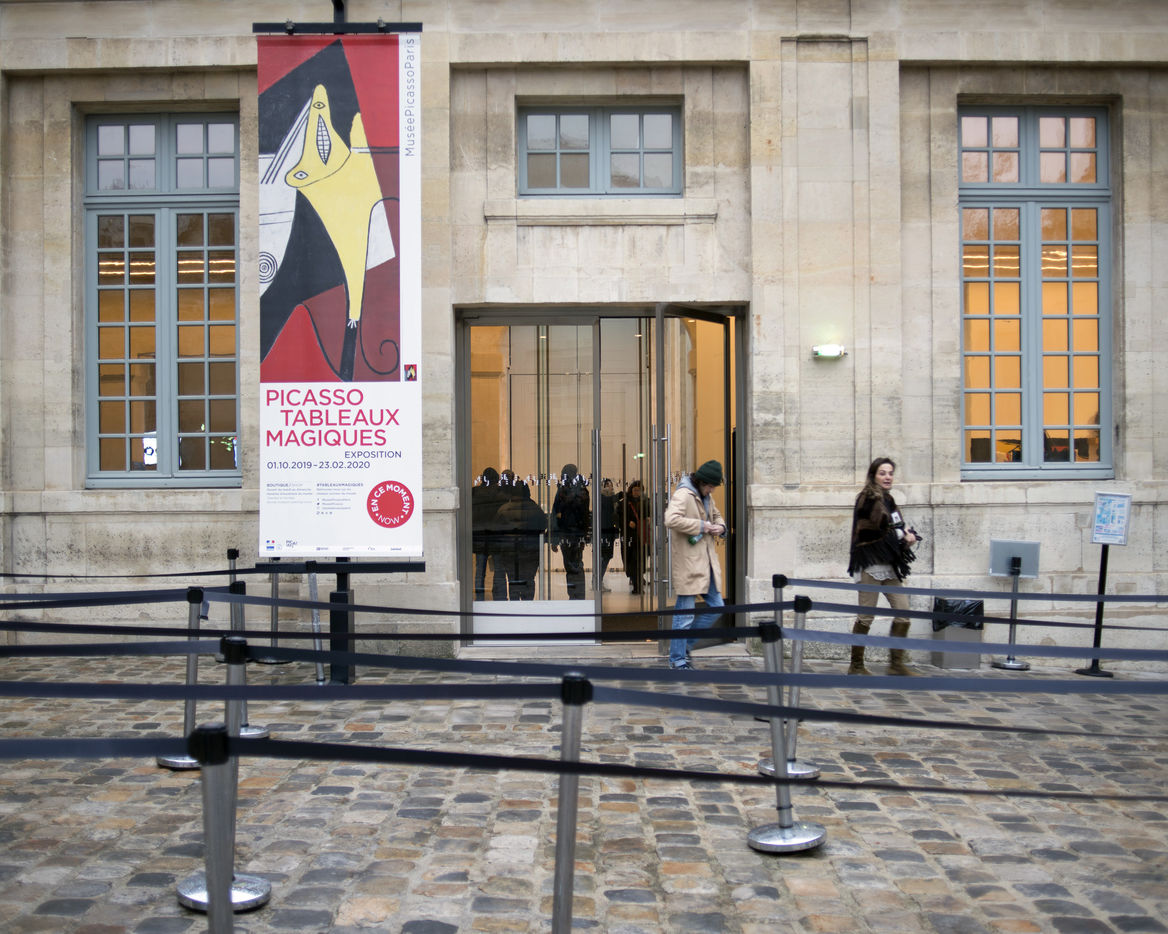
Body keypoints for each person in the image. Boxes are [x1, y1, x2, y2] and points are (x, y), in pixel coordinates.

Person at [846, 456, 921, 676]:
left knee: (903, 613)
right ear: (873, 476)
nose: (887, 477)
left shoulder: (890, 500)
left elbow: (897, 526)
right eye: (882, 473)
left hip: (890, 566)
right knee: (866, 617)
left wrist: (908, 537)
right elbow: (869, 533)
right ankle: (856, 666)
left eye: (890, 473)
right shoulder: (867, 499)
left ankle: (896, 665)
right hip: (870, 564)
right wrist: (901, 536)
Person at [663, 460, 726, 670]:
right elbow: (670, 519)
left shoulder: (705, 496)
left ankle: (685, 646)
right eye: (711, 486)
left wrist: (720, 527)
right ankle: (677, 659)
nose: (712, 490)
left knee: (717, 606)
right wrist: (701, 526)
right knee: (684, 615)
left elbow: (716, 515)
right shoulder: (684, 494)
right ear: (702, 482)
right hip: (689, 564)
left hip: (706, 563)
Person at [494, 480, 547, 600]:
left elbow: (496, 529)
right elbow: (543, 526)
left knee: (513, 580)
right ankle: (527, 605)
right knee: (529, 579)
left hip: (509, 551)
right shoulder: (536, 509)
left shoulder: (504, 510)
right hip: (531, 550)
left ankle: (515, 606)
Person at [550, 464, 590, 600]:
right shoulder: (583, 491)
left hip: (566, 533)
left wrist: (554, 538)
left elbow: (555, 514)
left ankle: (574, 595)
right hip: (577, 534)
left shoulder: (562, 491)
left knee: (570, 565)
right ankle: (578, 595)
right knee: (576, 564)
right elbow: (585, 515)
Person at [471, 467, 505, 601]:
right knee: (499, 570)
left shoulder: (475, 492)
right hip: (496, 536)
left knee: (480, 570)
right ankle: (500, 597)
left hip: (479, 535)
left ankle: (479, 597)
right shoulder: (501, 493)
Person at [621, 480, 650, 594]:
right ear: (631, 491)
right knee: (632, 561)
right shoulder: (625, 503)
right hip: (629, 536)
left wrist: (649, 518)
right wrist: (628, 522)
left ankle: (638, 582)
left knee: (640, 560)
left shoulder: (646, 502)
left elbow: (650, 514)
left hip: (641, 535)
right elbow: (619, 517)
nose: (637, 492)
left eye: (639, 490)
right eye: (635, 490)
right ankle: (636, 584)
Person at [598, 479, 618, 591]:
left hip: (610, 532)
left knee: (607, 557)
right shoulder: (601, 498)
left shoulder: (613, 499)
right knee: (602, 557)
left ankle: (598, 580)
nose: (609, 488)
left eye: (610, 485)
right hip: (602, 532)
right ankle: (598, 580)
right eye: (607, 485)